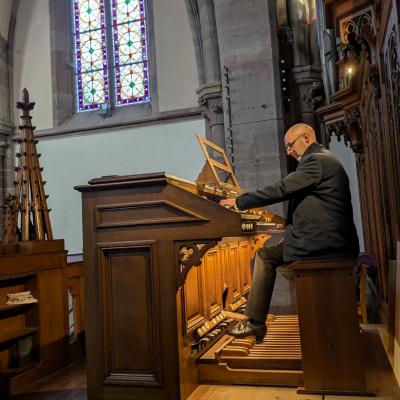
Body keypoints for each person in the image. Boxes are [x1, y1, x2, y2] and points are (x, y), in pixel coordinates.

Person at [220, 123, 359, 342]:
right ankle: (321, 310)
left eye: (290, 145)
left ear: (306, 138)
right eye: (286, 147)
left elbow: (281, 189)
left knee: (265, 256)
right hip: (326, 238)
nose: (288, 151)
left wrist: (239, 202)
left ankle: (256, 322)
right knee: (273, 254)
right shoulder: (323, 159)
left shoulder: (316, 161)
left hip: (323, 242)